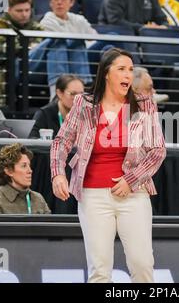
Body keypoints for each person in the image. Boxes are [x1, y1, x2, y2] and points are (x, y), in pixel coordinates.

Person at [50, 48, 166, 283]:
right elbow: (62, 141)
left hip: (133, 195)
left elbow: (157, 150)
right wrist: (57, 174)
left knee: (142, 265)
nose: (128, 75)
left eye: (131, 70)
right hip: (92, 195)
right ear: (106, 74)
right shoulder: (85, 103)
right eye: (121, 69)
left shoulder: (144, 104)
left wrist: (131, 180)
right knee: (100, 270)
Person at [0, 0, 44, 106]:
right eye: (19, 10)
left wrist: (20, 46)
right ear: (9, 9)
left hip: (33, 68)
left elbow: (39, 47)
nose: (24, 14)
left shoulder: (36, 26)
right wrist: (24, 46)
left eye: (27, 10)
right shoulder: (0, 24)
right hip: (8, 68)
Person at [0, 143, 51, 214]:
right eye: (24, 166)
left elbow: (49, 224)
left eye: (29, 165)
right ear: (9, 171)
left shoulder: (38, 198)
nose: (30, 171)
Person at [29, 74, 85, 138]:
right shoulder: (44, 115)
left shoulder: (86, 115)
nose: (78, 98)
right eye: (73, 94)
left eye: (82, 94)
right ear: (59, 93)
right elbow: (32, 142)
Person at [98, 0, 168, 32]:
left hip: (143, 39)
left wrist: (163, 27)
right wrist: (143, 28)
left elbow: (162, 20)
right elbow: (116, 23)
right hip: (116, 39)